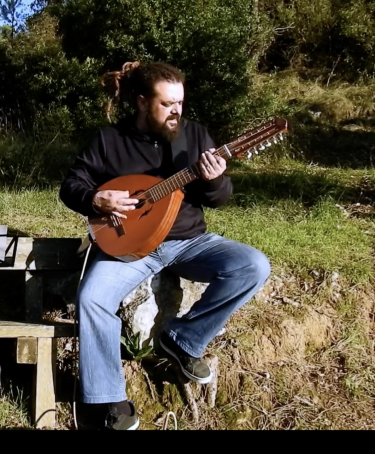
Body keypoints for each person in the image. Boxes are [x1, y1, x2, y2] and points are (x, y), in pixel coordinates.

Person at [59, 61, 271, 430]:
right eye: (167, 104)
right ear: (142, 102)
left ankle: (183, 340)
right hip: (129, 246)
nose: (177, 111)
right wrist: (96, 199)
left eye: (180, 103)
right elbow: (71, 185)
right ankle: (110, 398)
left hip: (189, 242)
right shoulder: (109, 140)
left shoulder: (195, 136)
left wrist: (215, 179)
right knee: (92, 298)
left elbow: (218, 200)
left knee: (253, 265)